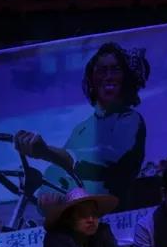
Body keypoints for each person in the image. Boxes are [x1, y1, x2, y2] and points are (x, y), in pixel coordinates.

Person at [15, 42, 150, 209]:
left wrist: (46, 151)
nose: (108, 76)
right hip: (79, 215)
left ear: (126, 78)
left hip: (111, 213)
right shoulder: (81, 129)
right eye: (102, 70)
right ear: (91, 80)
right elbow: (57, 171)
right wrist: (46, 194)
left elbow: (102, 157)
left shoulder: (130, 120)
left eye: (115, 69)